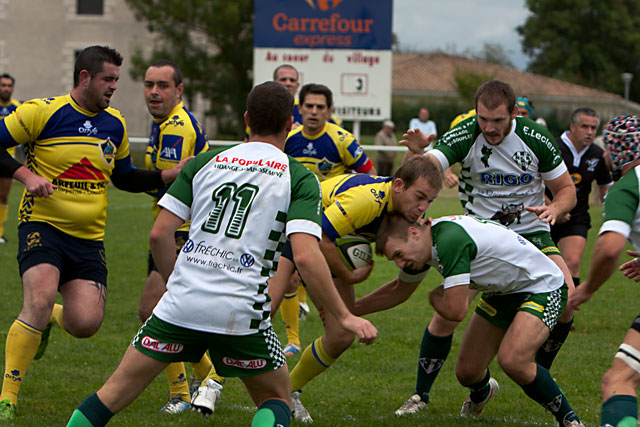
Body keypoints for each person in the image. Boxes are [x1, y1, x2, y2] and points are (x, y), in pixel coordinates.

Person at [65, 81, 377, 427]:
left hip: (181, 304)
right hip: (241, 311)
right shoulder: (299, 177)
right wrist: (344, 317)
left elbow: (159, 233)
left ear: (246, 119)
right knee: (275, 398)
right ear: (291, 123)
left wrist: (176, 284)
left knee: (110, 396)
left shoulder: (205, 161)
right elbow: (305, 256)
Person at [0, 45, 189, 421]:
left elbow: (125, 178)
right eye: (108, 79)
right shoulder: (42, 112)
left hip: (89, 239)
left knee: (85, 324)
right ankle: (7, 398)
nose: (114, 87)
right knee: (36, 300)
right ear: (85, 77)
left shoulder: (114, 123)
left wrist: (165, 176)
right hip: (43, 225)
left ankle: (53, 317)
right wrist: (25, 174)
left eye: (117, 80)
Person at [395, 79, 577, 416]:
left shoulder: (536, 138)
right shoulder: (466, 133)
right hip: (483, 239)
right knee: (445, 317)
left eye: (498, 121)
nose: (490, 128)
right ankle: (422, 395)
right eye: (483, 120)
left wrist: (555, 208)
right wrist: (417, 152)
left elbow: (566, 189)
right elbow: (428, 168)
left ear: (513, 113)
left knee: (567, 298)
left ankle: (536, 370)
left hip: (532, 233)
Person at [367, 213, 584, 426]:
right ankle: (483, 392)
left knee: (513, 360)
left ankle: (570, 420)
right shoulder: (429, 241)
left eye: (398, 254)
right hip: (503, 292)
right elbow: (398, 290)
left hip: (543, 285)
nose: (400, 264)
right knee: (467, 372)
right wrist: (349, 310)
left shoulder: (448, 241)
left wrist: (435, 299)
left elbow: (455, 311)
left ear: (413, 233)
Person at [284, 155, 441, 423]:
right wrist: (349, 275)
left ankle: (286, 391)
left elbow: (400, 289)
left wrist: (348, 311)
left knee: (341, 335)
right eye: (420, 197)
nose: (423, 208)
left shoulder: (406, 205)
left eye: (430, 201)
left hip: (326, 240)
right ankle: (212, 381)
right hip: (297, 229)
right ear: (401, 186)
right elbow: (319, 236)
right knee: (263, 306)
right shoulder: (367, 200)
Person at [138, 59, 224, 414]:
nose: (154, 92)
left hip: (178, 232)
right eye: (149, 84)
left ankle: (182, 392)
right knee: (168, 312)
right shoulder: (165, 123)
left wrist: (152, 178)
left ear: (179, 90)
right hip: (175, 226)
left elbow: (170, 179)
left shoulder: (176, 127)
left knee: (154, 310)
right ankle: (205, 379)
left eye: (162, 86)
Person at [277, 82, 376, 357]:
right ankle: (292, 340)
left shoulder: (342, 140)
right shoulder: (289, 140)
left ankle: (328, 329)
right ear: (299, 109)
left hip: (331, 231)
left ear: (330, 110)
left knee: (339, 326)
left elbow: (370, 176)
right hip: (295, 223)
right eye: (308, 106)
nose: (314, 111)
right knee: (286, 281)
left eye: (320, 107)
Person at [570, 115, 640, 427]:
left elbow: (611, 248)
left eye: (607, 147)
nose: (605, 155)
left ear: (619, 150)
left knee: (618, 381)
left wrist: (586, 289)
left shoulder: (626, 187)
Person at [548, 107, 612, 288]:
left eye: (594, 128)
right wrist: (554, 208)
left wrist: (611, 215)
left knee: (573, 262)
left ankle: (567, 311)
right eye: (585, 127)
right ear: (572, 126)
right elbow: (534, 185)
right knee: (543, 265)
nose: (590, 132)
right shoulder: (553, 147)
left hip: (577, 217)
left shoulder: (597, 155)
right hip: (544, 214)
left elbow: (605, 186)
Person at [0, 73, 20, 243]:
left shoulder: (17, 108)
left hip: (7, 158)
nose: (6, 88)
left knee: (3, 196)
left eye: (8, 85)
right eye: (3, 85)